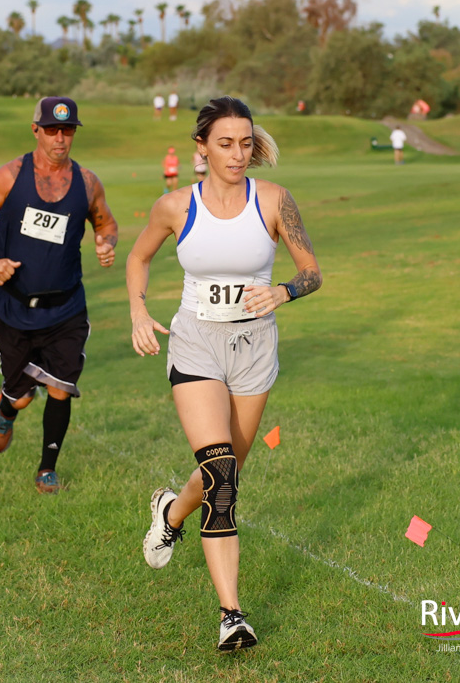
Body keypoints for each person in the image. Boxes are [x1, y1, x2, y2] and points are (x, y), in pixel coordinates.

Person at [127, 96, 322, 651]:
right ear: (202, 148)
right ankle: (231, 615)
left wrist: (283, 290)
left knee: (225, 474)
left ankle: (170, 509)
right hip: (196, 343)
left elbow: (312, 272)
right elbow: (139, 258)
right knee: (220, 476)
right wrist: (140, 311)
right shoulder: (175, 206)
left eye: (245, 143)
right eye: (225, 144)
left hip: (254, 346)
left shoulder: (274, 201)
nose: (237, 154)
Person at [0, 96, 118, 494]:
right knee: (24, 397)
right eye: (52, 130)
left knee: (61, 388)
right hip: (14, 307)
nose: (60, 138)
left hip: (66, 307)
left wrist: (105, 241)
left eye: (67, 130)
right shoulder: (11, 176)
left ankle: (47, 467)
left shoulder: (86, 182)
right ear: (36, 130)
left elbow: (106, 220)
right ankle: (8, 406)